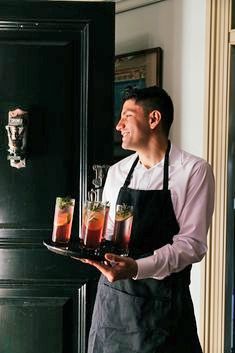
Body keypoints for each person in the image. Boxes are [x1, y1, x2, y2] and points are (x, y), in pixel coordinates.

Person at [81, 86, 215, 353]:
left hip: (162, 308)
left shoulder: (194, 171)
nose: (118, 125)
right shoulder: (118, 172)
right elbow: (108, 233)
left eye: (126, 116)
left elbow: (191, 245)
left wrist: (137, 268)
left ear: (154, 119)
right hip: (113, 306)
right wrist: (89, 246)